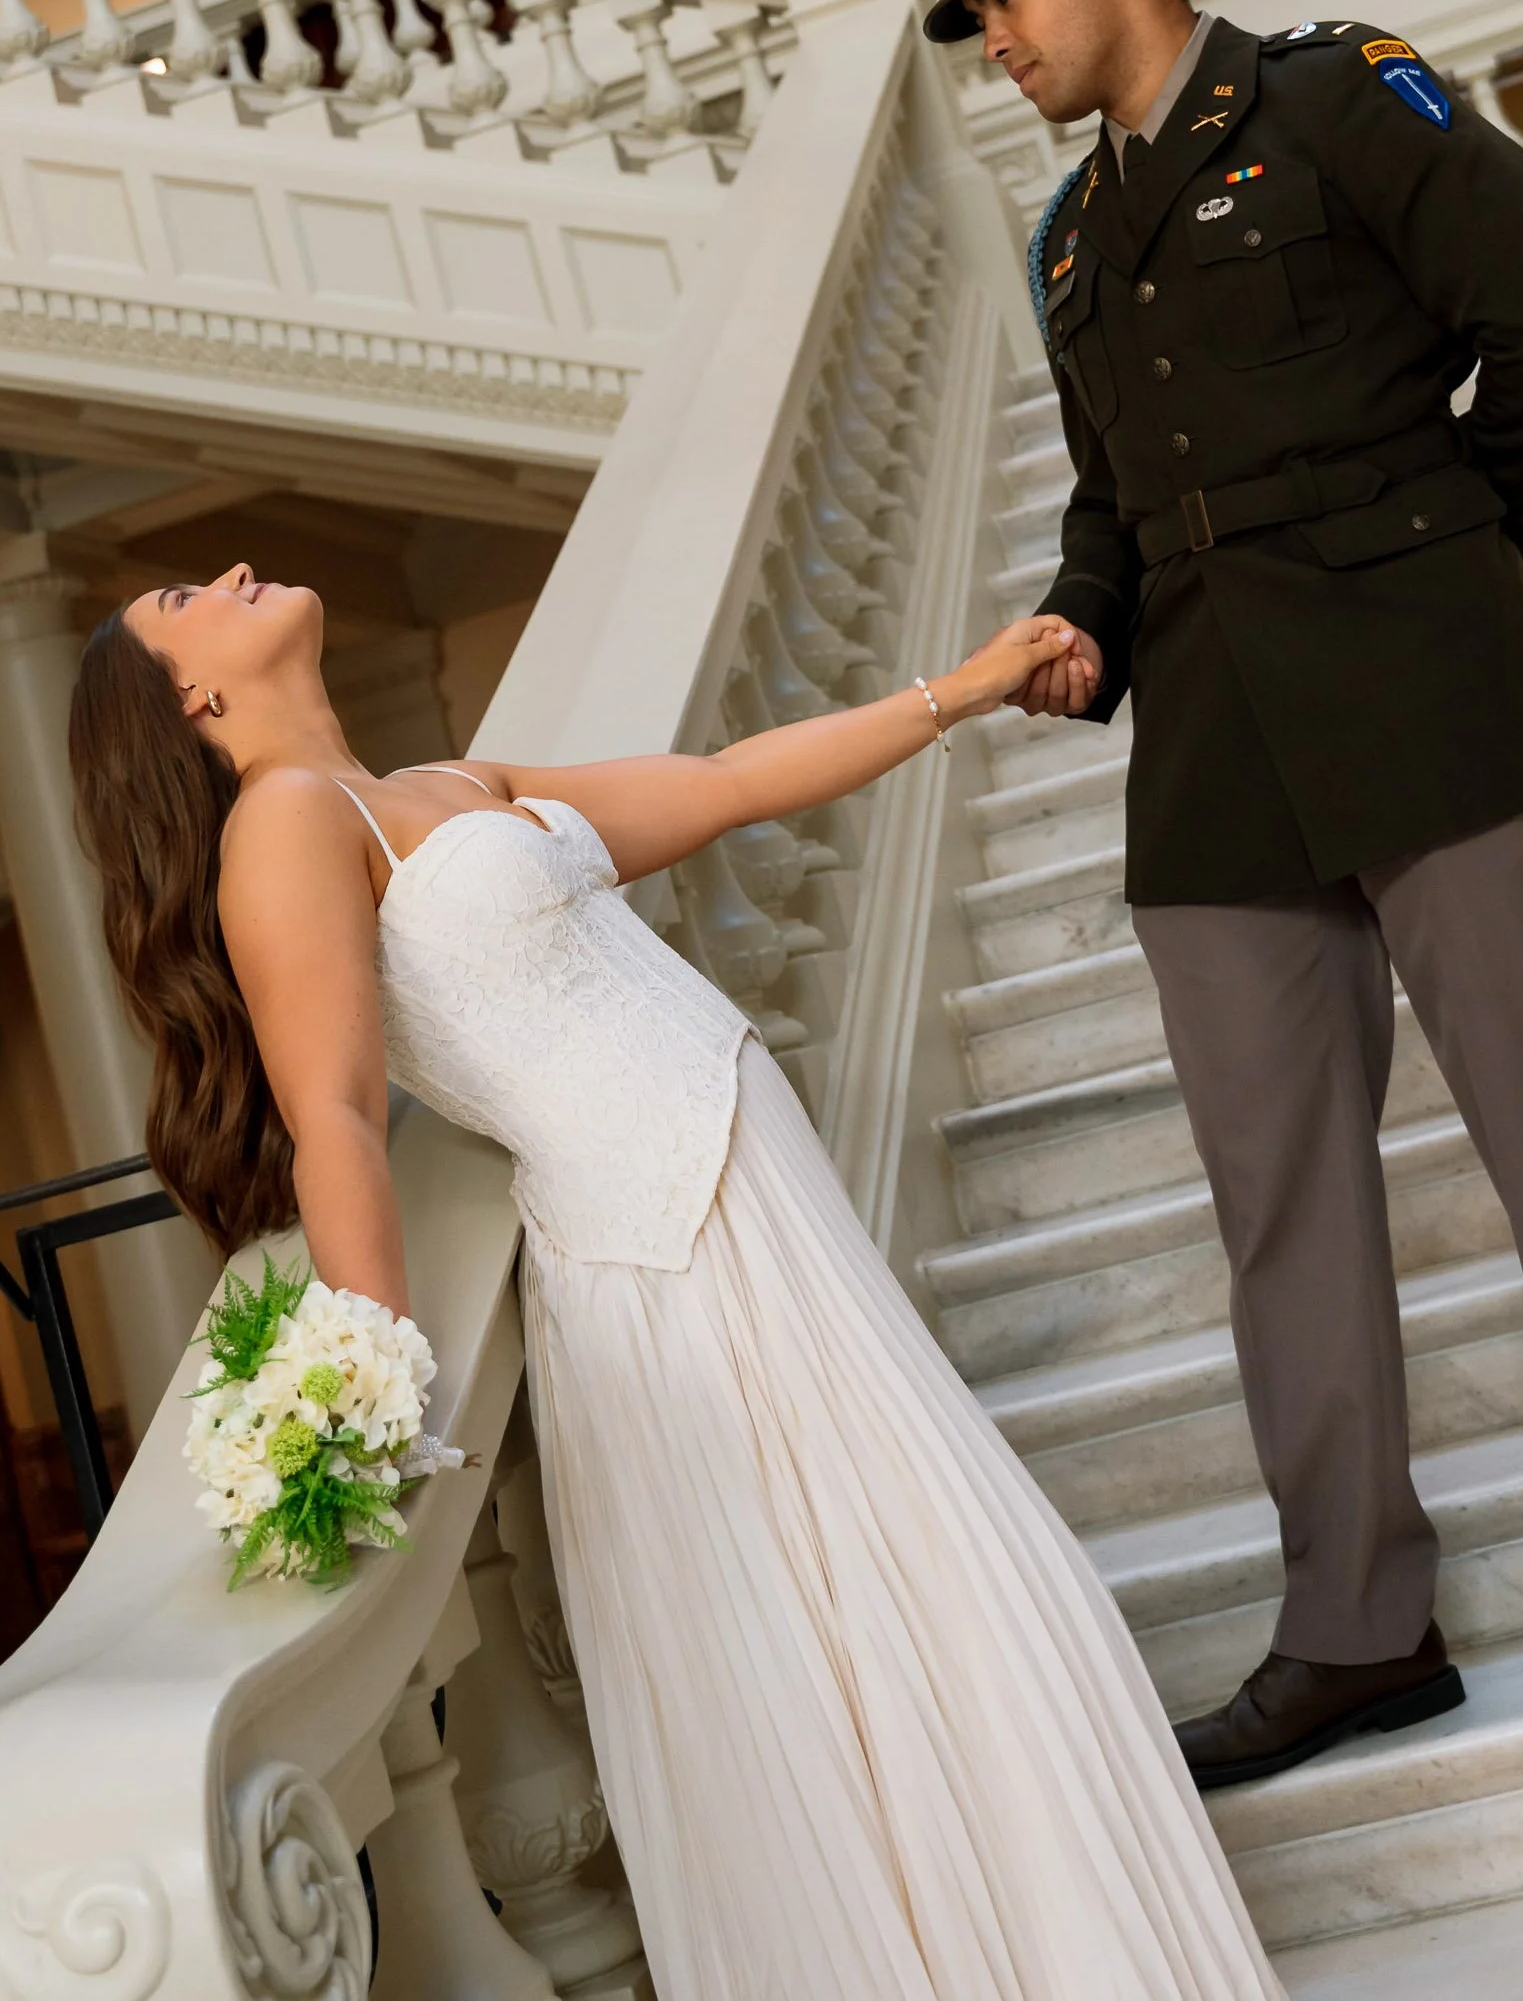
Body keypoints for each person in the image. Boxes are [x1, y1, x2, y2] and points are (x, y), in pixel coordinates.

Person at [70, 566, 1284, 2001]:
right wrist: (372, 1368)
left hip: (759, 1211)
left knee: (930, 1587)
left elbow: (723, 784)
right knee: (829, 1652)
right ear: (195, 698)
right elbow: (332, 1111)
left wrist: (966, 685)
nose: (227, 574)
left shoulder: (445, 776)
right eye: (183, 598)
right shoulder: (283, 827)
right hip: (662, 1268)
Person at [921, 0, 1523, 1790]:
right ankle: (1360, 1621)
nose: (994, 44)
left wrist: (1439, 555)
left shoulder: (1337, 97)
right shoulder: (1061, 243)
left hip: (1417, 681)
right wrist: (1082, 630)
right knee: (1277, 1193)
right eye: (971, 22)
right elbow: (1115, 500)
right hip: (1210, 748)